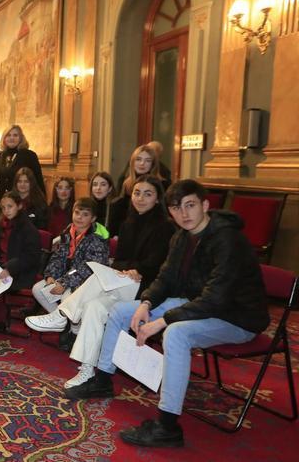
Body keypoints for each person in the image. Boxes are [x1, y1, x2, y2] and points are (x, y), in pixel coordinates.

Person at [64, 180, 269, 449]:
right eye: (176, 208)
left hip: (236, 317)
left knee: (176, 333)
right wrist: (146, 303)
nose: (184, 213)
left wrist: (163, 320)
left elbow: (216, 298)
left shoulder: (228, 240)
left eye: (190, 205)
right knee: (119, 311)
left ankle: (167, 425)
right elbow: (166, 278)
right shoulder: (181, 236)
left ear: (205, 205)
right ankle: (102, 380)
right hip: (196, 304)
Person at [26, 176, 173, 388]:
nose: (140, 198)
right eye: (137, 193)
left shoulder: (165, 227)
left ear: (158, 199)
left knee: (95, 275)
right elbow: (119, 258)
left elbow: (157, 263)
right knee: (94, 307)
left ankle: (62, 315)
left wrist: (136, 270)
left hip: (145, 286)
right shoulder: (128, 223)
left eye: (147, 194)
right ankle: (87, 369)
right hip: (123, 280)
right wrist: (125, 269)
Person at [0, 191, 42, 332]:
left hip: (19, 271)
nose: (6, 211)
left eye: (10, 206)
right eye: (3, 207)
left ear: (19, 206)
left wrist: (10, 268)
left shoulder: (28, 228)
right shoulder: (0, 225)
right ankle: (0, 309)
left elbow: (31, 257)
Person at [30, 197, 110, 314]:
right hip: (67, 277)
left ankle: (74, 329)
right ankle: (60, 320)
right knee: (38, 289)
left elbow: (87, 268)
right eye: (77, 213)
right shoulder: (68, 231)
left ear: (93, 218)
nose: (79, 217)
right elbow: (58, 256)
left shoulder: (97, 238)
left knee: (66, 298)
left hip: (86, 282)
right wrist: (51, 276)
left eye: (85, 215)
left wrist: (64, 282)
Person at [0, 125, 44, 216]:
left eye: (15, 135)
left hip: (20, 204)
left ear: (21, 138)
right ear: (4, 138)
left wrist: (41, 203)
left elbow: (38, 181)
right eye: (8, 135)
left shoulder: (29, 155)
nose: (11, 138)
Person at [111, 144, 169, 235]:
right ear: (133, 162)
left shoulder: (163, 184)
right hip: (130, 230)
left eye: (147, 160)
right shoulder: (126, 183)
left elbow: (165, 212)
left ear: (153, 164)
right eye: (138, 159)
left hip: (153, 231)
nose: (142, 163)